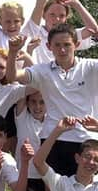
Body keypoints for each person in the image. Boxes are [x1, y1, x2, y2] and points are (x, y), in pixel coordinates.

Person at [6, 24, 98, 178]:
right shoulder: (43, 70)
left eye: (67, 45)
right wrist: (13, 51)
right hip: (53, 138)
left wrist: (77, 5)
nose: (62, 50)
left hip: (85, 138)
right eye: (57, 45)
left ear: (77, 45)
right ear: (49, 46)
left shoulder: (90, 66)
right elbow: (11, 77)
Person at [22, 0, 98, 64]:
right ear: (43, 15)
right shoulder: (34, 31)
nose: (57, 19)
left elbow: (93, 29)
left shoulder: (70, 36)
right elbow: (40, 5)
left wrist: (77, 5)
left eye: (61, 15)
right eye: (52, 14)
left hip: (63, 79)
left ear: (66, 18)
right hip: (37, 79)